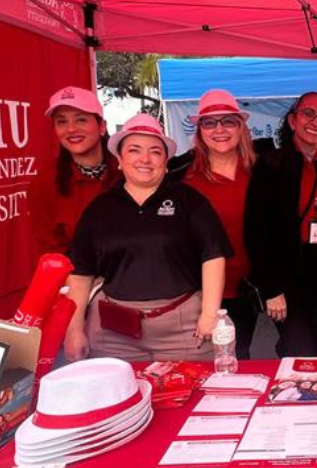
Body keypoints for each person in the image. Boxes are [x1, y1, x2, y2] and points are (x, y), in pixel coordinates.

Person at [63, 114, 232, 362]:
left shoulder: (190, 201)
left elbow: (213, 256)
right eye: (134, 150)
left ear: (165, 161)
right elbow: (80, 274)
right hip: (113, 330)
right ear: (120, 159)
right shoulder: (99, 209)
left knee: (194, 385)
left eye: (155, 152)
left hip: (184, 327)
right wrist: (74, 330)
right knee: (118, 386)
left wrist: (209, 315)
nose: (145, 159)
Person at [244, 91, 317, 357]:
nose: (315, 122)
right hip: (286, 272)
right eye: (308, 114)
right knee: (301, 349)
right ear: (292, 120)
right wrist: (271, 289)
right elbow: (256, 232)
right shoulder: (270, 165)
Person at [181, 89, 258, 360]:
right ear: (199, 130)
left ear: (241, 127)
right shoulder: (183, 178)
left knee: (239, 356)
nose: (219, 129)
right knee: (200, 362)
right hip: (197, 292)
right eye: (209, 122)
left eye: (228, 121)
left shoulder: (260, 173)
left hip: (245, 288)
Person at [29, 86, 121, 255]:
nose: (71, 129)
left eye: (81, 120)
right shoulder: (44, 183)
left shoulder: (129, 170)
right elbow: (51, 250)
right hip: (79, 271)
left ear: (102, 126)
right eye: (62, 122)